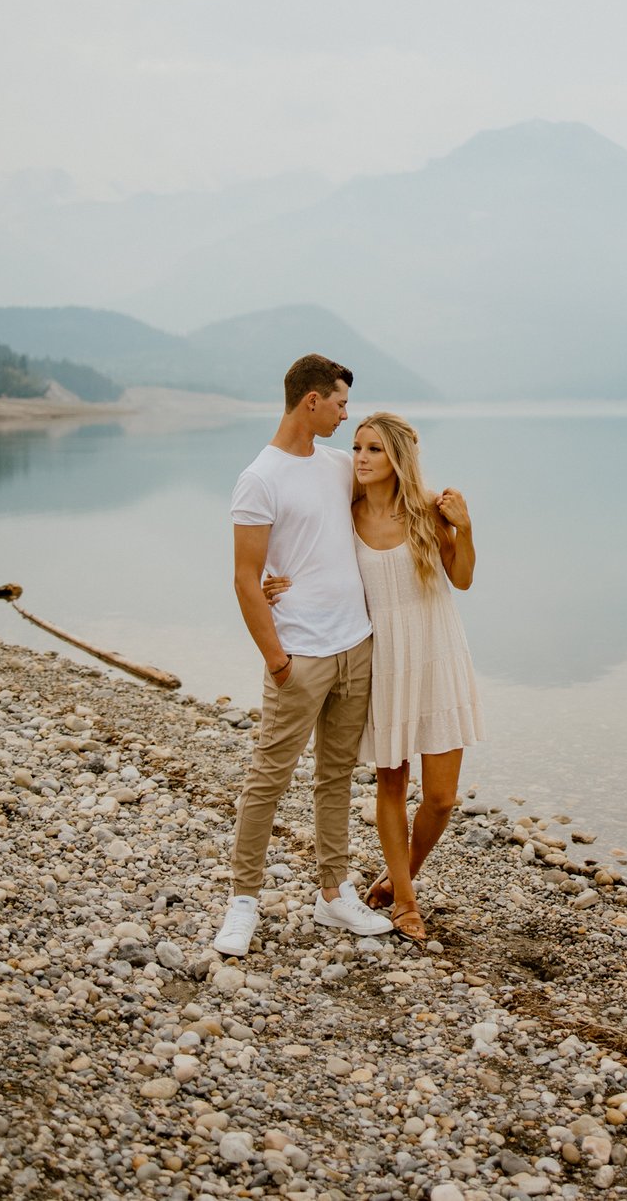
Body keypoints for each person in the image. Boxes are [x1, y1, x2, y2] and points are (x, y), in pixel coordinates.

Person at [265, 412, 484, 942]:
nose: (359, 458)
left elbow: (464, 578)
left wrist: (466, 527)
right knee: (391, 782)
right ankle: (406, 903)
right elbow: (308, 555)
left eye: (373, 451)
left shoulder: (429, 513)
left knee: (441, 797)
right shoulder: (348, 513)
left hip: (437, 655)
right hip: (382, 659)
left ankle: (399, 872)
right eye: (357, 447)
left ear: (398, 459)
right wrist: (278, 584)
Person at [213, 354, 393, 958]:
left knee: (336, 776)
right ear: (310, 401)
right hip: (300, 655)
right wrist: (278, 662)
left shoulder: (341, 466)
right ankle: (242, 902)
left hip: (355, 645)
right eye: (340, 404)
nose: (346, 415)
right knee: (268, 779)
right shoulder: (259, 478)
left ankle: (333, 892)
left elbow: (390, 503)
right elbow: (245, 578)